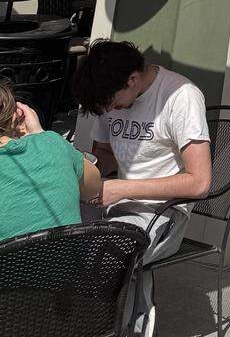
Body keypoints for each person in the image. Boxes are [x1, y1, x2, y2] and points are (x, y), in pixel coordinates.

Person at [73, 41, 211, 337]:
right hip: (114, 201)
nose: (110, 110)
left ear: (132, 79)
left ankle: (127, 328)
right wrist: (77, 163)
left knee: (103, 256)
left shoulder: (180, 97)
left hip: (163, 212)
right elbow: (106, 157)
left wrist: (123, 189)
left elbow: (199, 182)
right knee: (52, 236)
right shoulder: (110, 95)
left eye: (113, 103)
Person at [0, 84, 102, 241]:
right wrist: (40, 134)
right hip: (68, 264)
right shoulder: (53, 143)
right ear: (16, 115)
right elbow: (94, 187)